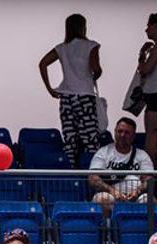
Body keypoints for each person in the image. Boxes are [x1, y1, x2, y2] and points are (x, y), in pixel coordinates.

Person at [38, 13, 102, 164]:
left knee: (70, 140)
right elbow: (96, 69)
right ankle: (91, 173)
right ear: (83, 27)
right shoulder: (91, 46)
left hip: (66, 97)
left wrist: (50, 89)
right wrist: (95, 75)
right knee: (90, 139)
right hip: (85, 96)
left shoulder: (62, 48)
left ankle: (72, 173)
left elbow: (42, 63)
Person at [89, 117, 153, 210]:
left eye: (127, 132)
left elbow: (149, 179)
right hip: (109, 193)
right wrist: (111, 190)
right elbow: (93, 178)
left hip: (136, 195)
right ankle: (107, 224)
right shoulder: (103, 152)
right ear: (115, 132)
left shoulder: (142, 155)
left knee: (149, 200)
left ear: (134, 135)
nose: (122, 135)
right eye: (120, 131)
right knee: (103, 199)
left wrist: (138, 191)